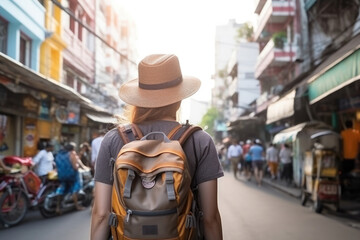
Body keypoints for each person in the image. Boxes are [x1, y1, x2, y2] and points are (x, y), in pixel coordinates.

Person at [90, 54, 223, 240]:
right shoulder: (200, 140)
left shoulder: (113, 140)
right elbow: (210, 218)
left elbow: (101, 215)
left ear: (139, 98)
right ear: (179, 98)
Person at [55, 142, 89, 214]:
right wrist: (78, 166)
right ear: (72, 149)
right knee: (75, 189)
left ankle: (57, 207)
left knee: (61, 189)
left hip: (61, 175)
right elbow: (75, 167)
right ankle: (77, 206)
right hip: (72, 175)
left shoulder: (59, 154)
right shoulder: (72, 154)